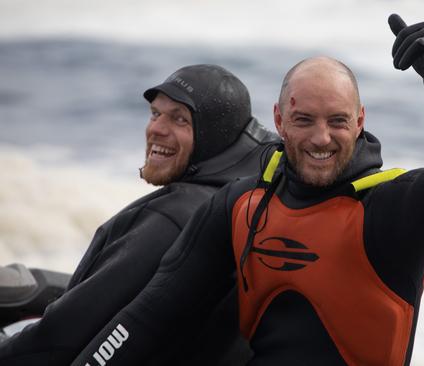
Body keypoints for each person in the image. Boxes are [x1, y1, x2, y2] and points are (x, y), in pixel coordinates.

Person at [72, 14, 424, 366]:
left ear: (359, 122)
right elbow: (152, 316)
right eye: (304, 120)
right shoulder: (240, 205)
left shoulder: (389, 211)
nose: (321, 138)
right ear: (279, 119)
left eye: (337, 121)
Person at [0, 64, 278, 365]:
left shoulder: (173, 218)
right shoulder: (259, 202)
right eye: (155, 113)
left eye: (179, 119)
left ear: (213, 134)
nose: (156, 129)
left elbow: (57, 340)